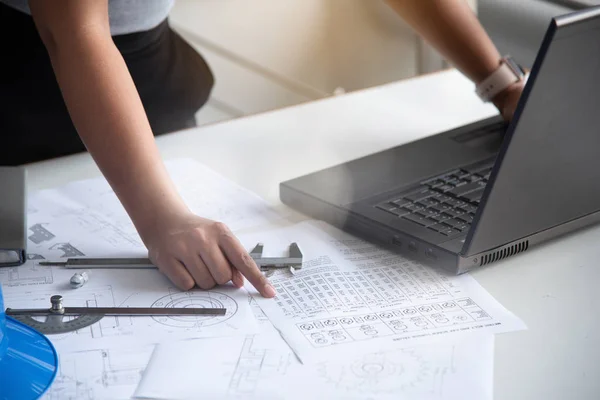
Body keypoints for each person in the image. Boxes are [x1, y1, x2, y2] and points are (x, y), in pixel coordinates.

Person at [0, 0, 526, 298]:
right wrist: (162, 216)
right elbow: (71, 33)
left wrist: (501, 85)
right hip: (25, 85)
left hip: (143, 77)